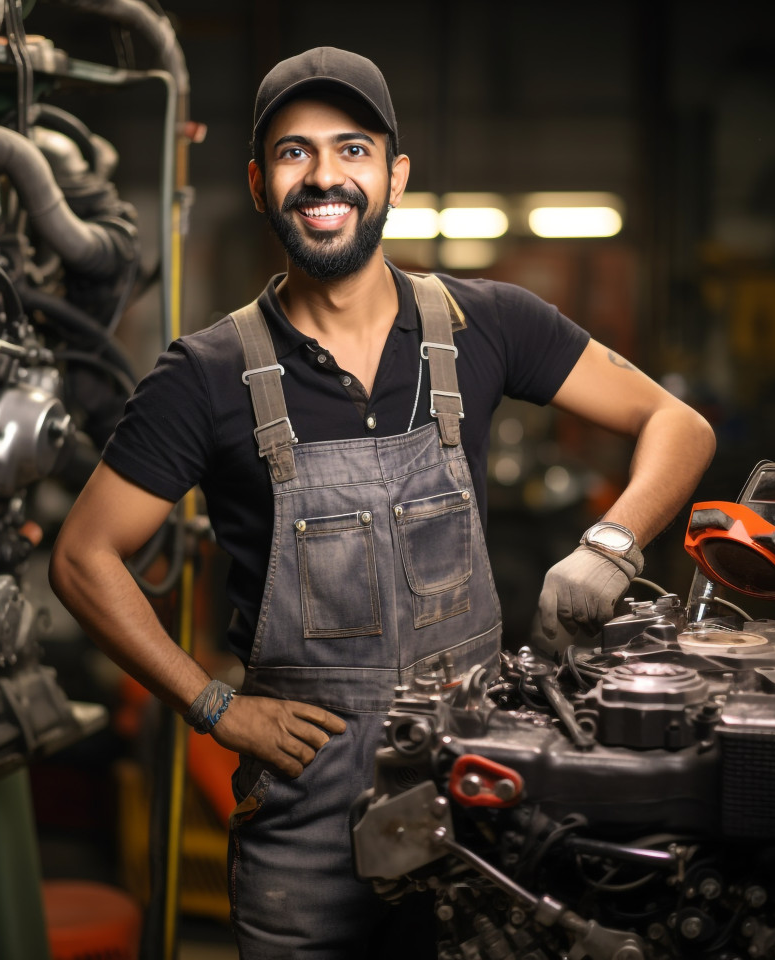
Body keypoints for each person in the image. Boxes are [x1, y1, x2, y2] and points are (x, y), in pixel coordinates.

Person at [49, 46, 716, 960]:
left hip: (476, 782)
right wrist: (214, 706)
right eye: (295, 153)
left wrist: (610, 543)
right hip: (304, 813)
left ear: (395, 175)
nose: (326, 176)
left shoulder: (488, 325)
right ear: (257, 182)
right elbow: (83, 556)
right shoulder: (203, 376)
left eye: (352, 149)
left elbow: (678, 425)